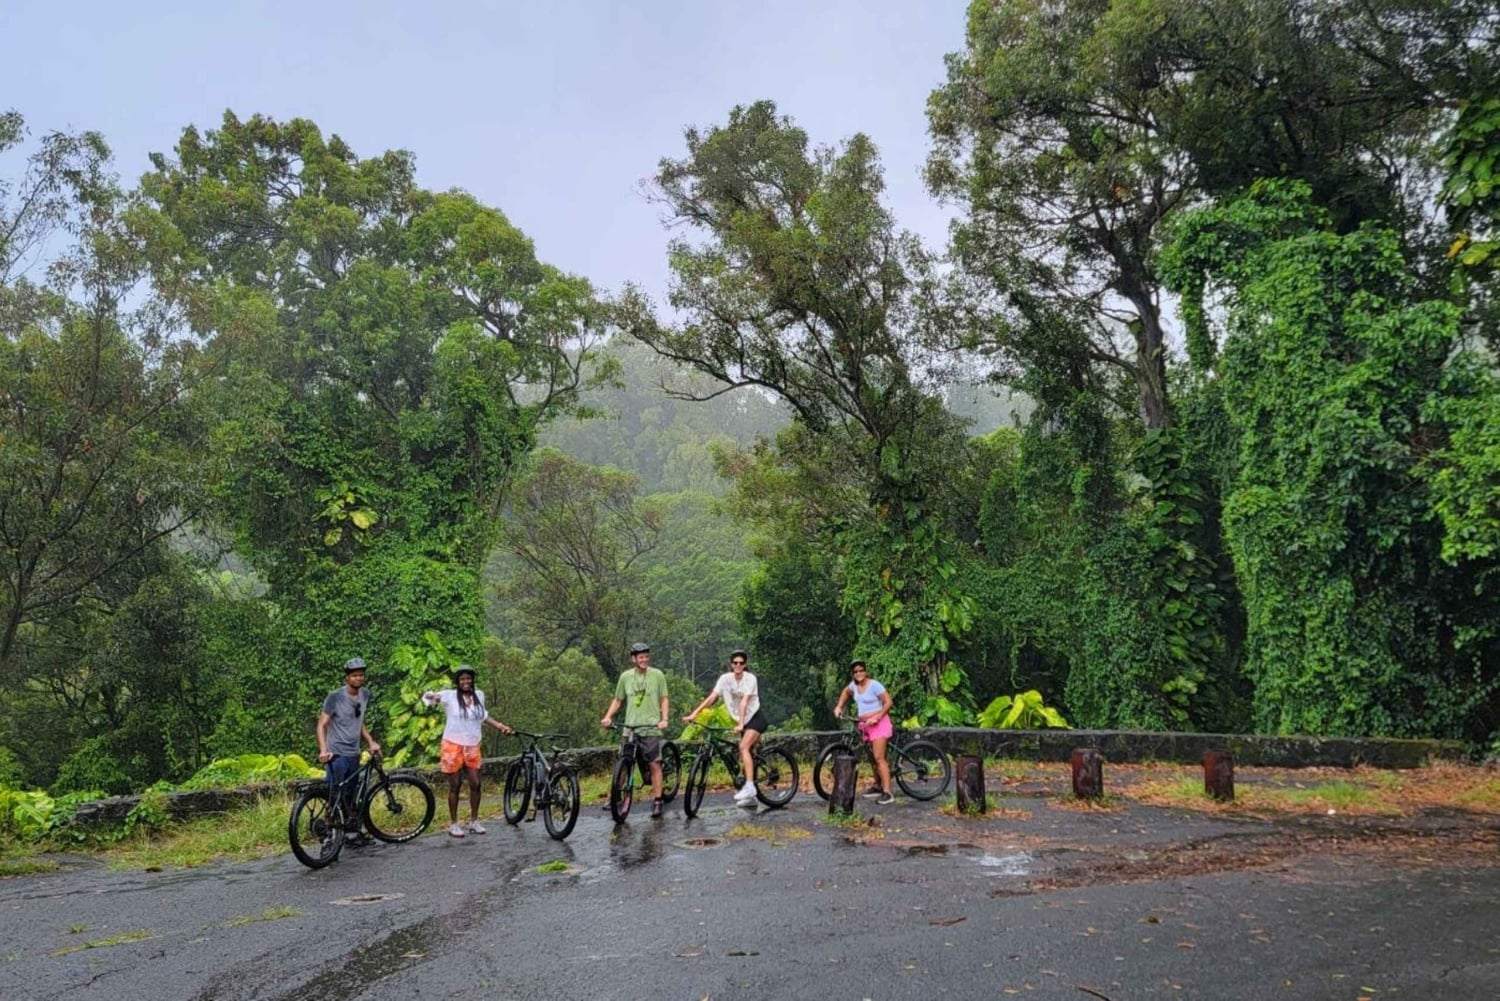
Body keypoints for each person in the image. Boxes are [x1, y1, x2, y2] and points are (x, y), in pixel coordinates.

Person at [422, 664, 514, 838]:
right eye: (463, 679)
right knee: (455, 785)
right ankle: (454, 824)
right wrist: (432, 695)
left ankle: (474, 820)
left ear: (472, 680)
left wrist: (501, 727)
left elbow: (483, 716)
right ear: (458, 681)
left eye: (468, 678)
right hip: (453, 745)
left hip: (472, 745)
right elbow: (428, 698)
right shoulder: (449, 696)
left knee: (475, 783)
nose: (466, 682)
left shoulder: (478, 696)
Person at [683, 649, 767, 807]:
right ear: (731, 664)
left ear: (745, 665)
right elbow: (712, 698)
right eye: (735, 663)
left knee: (743, 747)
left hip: (755, 718)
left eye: (741, 663)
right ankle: (751, 797)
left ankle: (749, 787)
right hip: (742, 720)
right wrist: (694, 714)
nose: (738, 665)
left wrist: (741, 724)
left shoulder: (750, 679)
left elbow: (744, 703)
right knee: (744, 754)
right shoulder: (725, 679)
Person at [601, 641, 671, 818]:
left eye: (646, 657)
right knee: (624, 762)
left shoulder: (657, 675)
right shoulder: (625, 677)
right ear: (633, 659)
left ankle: (657, 800)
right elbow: (618, 700)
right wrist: (608, 716)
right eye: (641, 657)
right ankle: (616, 797)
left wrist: (664, 719)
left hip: (650, 727)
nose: (644, 660)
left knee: (654, 763)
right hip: (630, 728)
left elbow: (664, 698)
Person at [317, 657, 383, 840]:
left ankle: (350, 834)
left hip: (354, 752)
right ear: (347, 677)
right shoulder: (335, 697)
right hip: (336, 753)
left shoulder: (365, 694)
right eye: (354, 675)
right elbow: (321, 725)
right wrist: (323, 750)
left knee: (350, 794)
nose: (358, 679)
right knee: (334, 795)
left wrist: (370, 742)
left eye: (361, 675)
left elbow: (359, 721)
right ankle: (328, 835)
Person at [832, 659, 895, 804]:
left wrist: (877, 717)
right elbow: (846, 693)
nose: (859, 673)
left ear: (865, 671)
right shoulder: (853, 686)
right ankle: (877, 785)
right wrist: (839, 707)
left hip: (879, 724)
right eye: (856, 672)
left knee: (879, 758)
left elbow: (888, 702)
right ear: (853, 674)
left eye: (861, 670)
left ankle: (888, 792)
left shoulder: (874, 685)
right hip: (864, 726)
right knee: (872, 758)